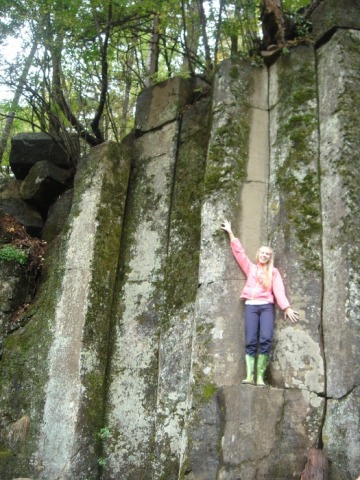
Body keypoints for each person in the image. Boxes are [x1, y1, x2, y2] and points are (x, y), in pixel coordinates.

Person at [220, 219, 299, 386]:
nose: (264, 256)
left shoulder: (274, 272)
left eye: (267, 254)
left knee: (266, 339)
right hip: (251, 306)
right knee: (250, 340)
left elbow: (278, 290)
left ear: (270, 257)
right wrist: (230, 232)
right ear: (258, 254)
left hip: (266, 307)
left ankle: (260, 377)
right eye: (262, 253)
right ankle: (249, 376)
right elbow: (239, 253)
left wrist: (286, 307)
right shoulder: (251, 268)